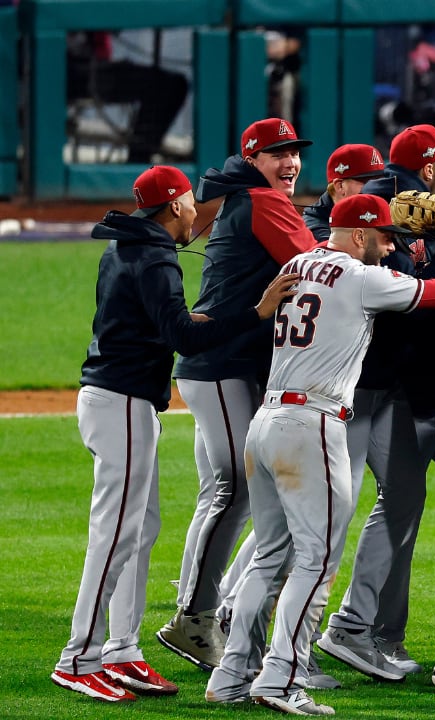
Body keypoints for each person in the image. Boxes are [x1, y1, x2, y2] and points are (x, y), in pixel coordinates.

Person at [205, 194, 435, 714]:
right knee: (316, 562)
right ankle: (280, 679)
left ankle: (232, 676)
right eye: (385, 237)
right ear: (359, 234)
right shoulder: (360, 276)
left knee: (271, 556)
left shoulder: (297, 263)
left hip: (267, 419)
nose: (392, 247)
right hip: (312, 426)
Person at [50, 166, 296, 703]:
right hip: (122, 403)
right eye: (188, 203)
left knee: (139, 531)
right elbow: (184, 336)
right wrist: (257, 310)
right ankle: (78, 658)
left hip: (117, 401)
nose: (194, 213)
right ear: (173, 206)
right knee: (116, 535)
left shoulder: (124, 246)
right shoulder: (155, 256)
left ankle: (121, 650)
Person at [163, 118, 317, 672]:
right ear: (252, 158)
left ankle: (202, 613)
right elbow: (319, 267)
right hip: (223, 367)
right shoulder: (262, 200)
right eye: (277, 154)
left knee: (221, 494)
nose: (291, 162)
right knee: (237, 492)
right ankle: (196, 617)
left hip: (213, 366)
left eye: (294, 152)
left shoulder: (243, 197)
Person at [66, 31, 189, 164]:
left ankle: (139, 161)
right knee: (168, 87)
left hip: (90, 69)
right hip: (69, 73)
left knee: (170, 86)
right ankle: (138, 163)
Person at [303, 144, 388, 241]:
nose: (375, 188)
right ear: (340, 186)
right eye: (367, 182)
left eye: (379, 181)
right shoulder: (314, 230)